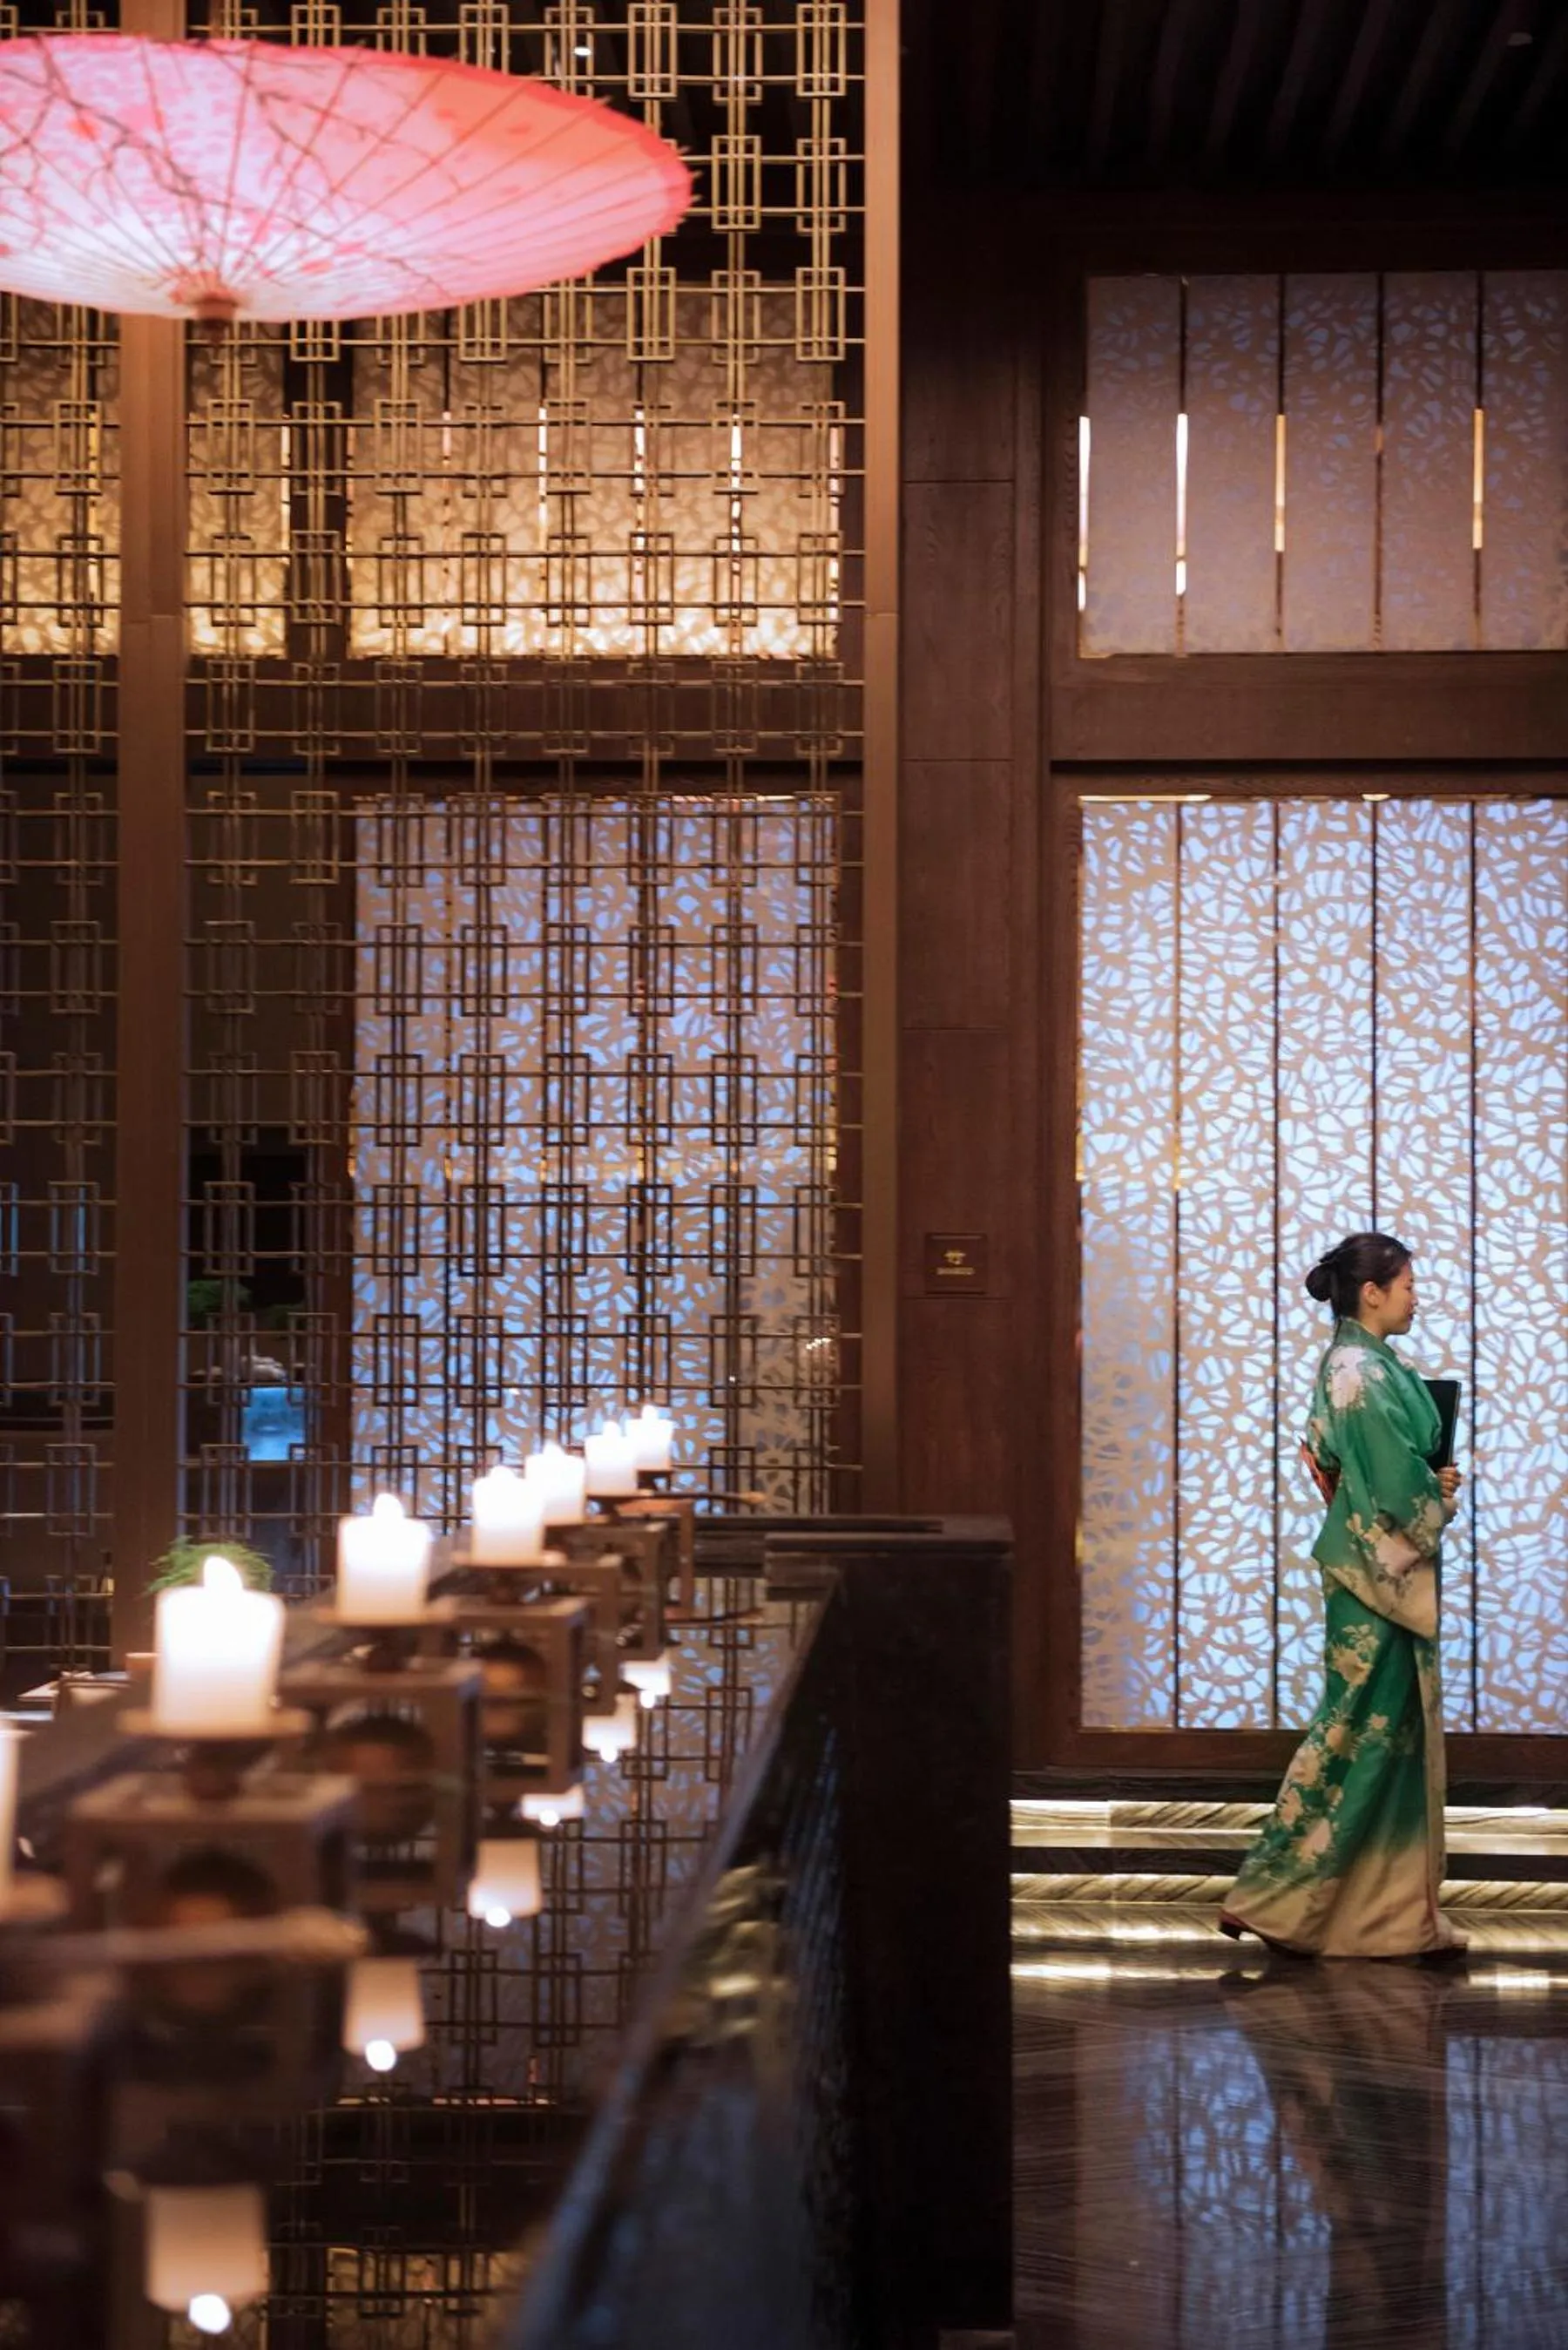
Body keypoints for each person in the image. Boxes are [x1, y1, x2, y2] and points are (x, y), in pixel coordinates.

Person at [1220, 1233, 1464, 1960]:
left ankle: (1375, 1914)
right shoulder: (1359, 1369)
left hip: (1368, 1568)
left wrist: (1429, 1479)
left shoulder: (1364, 1365)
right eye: (1408, 1283)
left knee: (1375, 1740)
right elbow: (1392, 1483)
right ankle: (1276, 1896)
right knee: (1353, 1733)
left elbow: (1348, 1460)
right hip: (1373, 1575)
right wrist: (1435, 1494)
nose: (1416, 1295)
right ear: (1373, 1291)